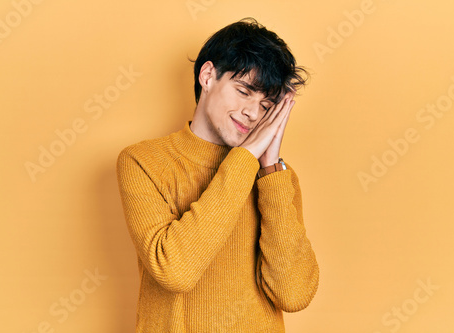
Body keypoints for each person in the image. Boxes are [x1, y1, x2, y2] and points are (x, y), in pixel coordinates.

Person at [116, 17, 319, 332]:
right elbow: (176, 271)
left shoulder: (277, 178)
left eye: (267, 106)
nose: (253, 113)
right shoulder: (142, 161)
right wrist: (245, 158)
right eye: (243, 91)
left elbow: (293, 294)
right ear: (208, 75)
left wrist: (269, 169)